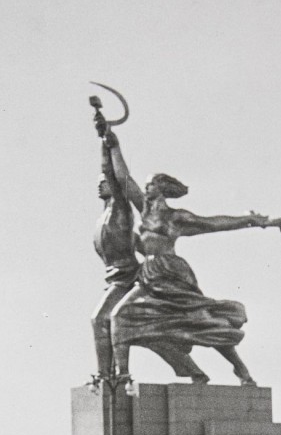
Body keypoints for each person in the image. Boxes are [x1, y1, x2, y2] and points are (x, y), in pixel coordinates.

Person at [105, 129, 281, 385]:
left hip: (172, 273)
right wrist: (113, 145)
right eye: (147, 184)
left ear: (161, 189)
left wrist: (253, 220)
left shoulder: (176, 217)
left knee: (200, 321)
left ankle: (241, 370)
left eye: (150, 184)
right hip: (149, 275)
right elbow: (124, 178)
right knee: (120, 315)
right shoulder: (144, 209)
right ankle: (123, 377)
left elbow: (214, 223)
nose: (146, 187)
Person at [91, 125, 215, 383]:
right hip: (120, 278)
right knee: (148, 332)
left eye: (105, 182)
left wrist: (109, 144)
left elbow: (117, 175)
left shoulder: (123, 208)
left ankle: (114, 377)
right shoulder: (103, 218)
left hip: (140, 276)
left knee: (108, 319)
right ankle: (191, 371)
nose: (101, 184)